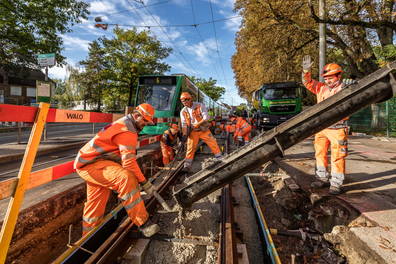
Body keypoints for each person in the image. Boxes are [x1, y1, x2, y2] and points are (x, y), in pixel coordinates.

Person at [74, 103, 160, 237]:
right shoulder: (127, 130)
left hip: (89, 165)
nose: (145, 124)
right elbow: (129, 163)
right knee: (126, 178)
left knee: (95, 206)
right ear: (136, 115)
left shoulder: (124, 124)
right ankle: (143, 224)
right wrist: (145, 183)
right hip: (93, 164)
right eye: (144, 120)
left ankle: (87, 239)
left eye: (147, 122)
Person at [302, 55, 348, 195]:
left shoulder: (345, 87)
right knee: (320, 153)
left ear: (338, 76)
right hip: (322, 128)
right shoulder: (321, 88)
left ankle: (336, 183)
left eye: (330, 78)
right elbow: (307, 82)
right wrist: (305, 71)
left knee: (337, 156)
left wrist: (352, 83)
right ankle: (322, 178)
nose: (327, 81)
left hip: (338, 128)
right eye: (326, 78)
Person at [180, 92, 222, 171]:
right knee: (190, 147)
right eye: (182, 102)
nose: (184, 103)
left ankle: (219, 157)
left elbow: (206, 117)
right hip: (193, 131)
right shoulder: (183, 111)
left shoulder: (199, 105)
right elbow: (184, 124)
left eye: (186, 101)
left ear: (190, 99)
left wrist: (198, 124)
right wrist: (184, 135)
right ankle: (187, 164)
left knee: (212, 142)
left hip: (203, 129)